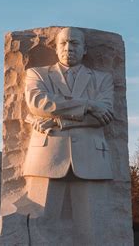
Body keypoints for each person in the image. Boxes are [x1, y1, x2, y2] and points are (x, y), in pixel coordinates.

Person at [22, 27, 114, 220]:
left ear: (85, 49)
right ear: (55, 48)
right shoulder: (37, 74)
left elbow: (103, 116)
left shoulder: (102, 79)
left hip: (92, 157)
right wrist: (88, 104)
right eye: (63, 43)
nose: (68, 48)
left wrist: (58, 121)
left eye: (75, 43)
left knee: (95, 226)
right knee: (39, 223)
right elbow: (39, 103)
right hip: (47, 155)